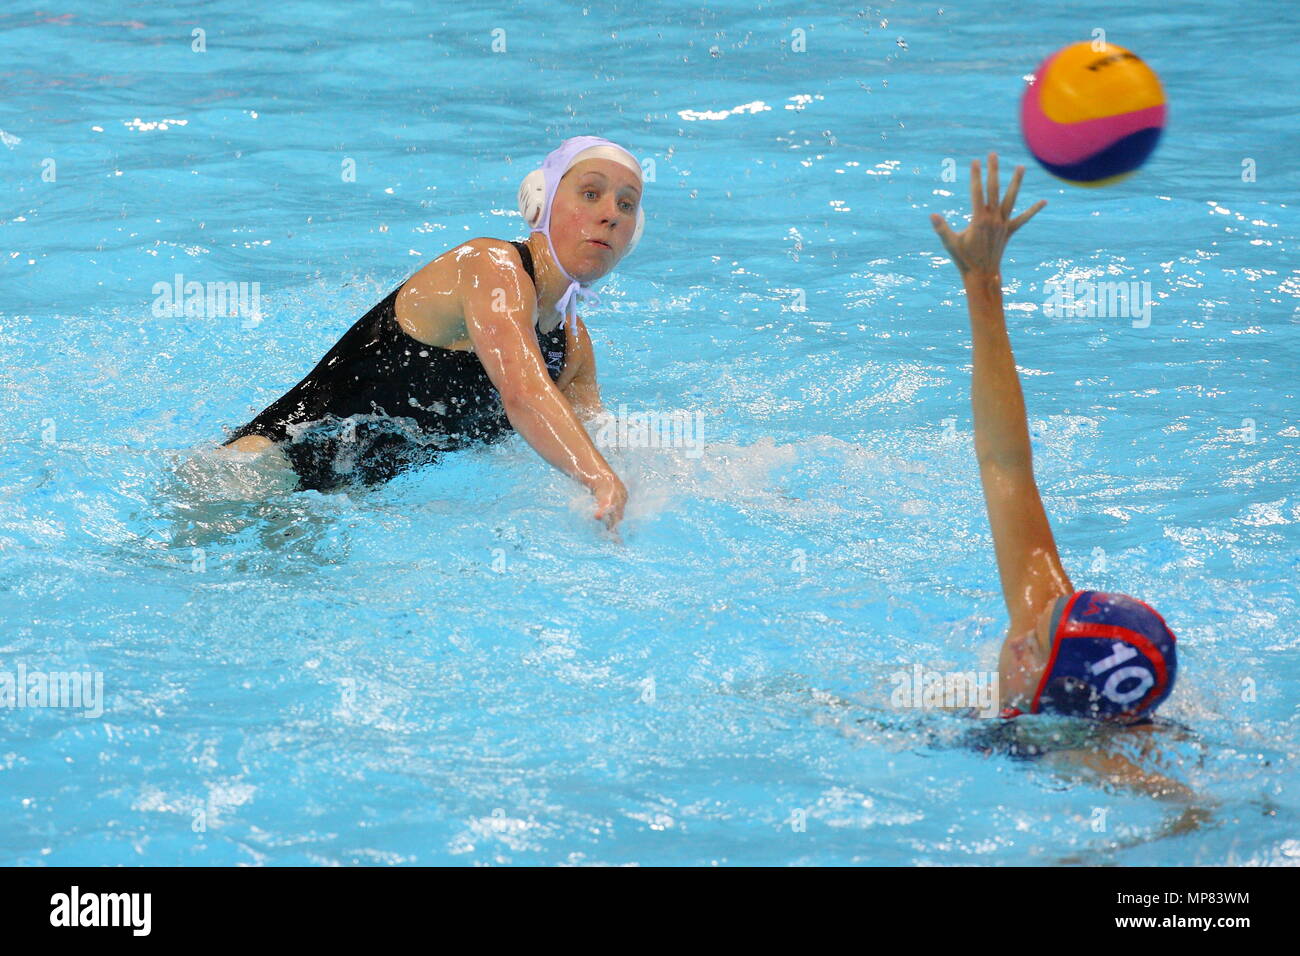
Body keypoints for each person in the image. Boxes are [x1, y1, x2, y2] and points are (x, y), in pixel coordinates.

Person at [930, 153, 1189, 800]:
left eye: (1037, 638)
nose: (1023, 627)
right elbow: (1006, 464)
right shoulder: (1050, 637)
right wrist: (982, 283)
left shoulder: (1083, 763)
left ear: (1053, 689)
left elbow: (1191, 814)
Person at [218, 135, 642, 530]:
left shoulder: (572, 344)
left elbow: (598, 437)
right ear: (540, 202)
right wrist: (600, 480)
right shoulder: (490, 266)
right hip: (254, 476)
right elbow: (524, 394)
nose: (609, 214)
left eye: (627, 205)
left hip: (324, 509)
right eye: (591, 193)